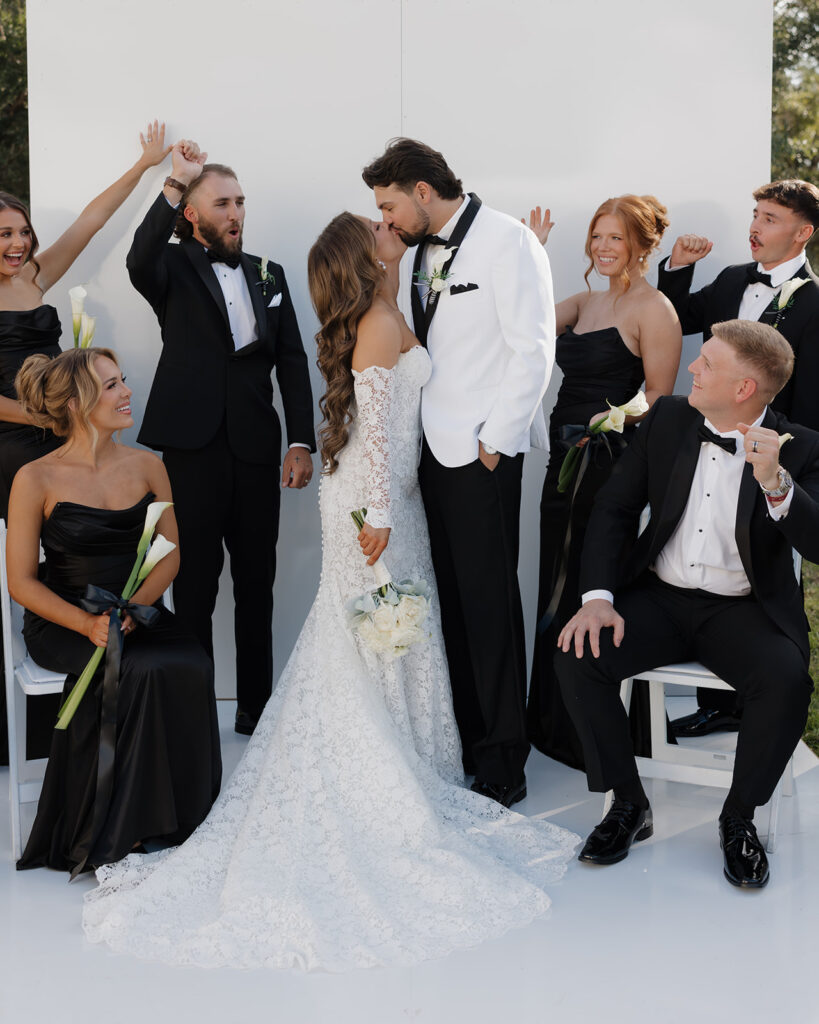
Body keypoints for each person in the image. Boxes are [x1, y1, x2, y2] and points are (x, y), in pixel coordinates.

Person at [80, 213, 578, 971]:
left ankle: (408, 749)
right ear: (363, 257)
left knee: (383, 627)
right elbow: (375, 430)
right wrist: (376, 518)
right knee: (373, 624)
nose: (390, 230)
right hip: (372, 504)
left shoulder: (391, 310)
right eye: (377, 229)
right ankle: (381, 762)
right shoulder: (379, 324)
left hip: (389, 498)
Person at [554, 319, 816, 889]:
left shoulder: (802, 446)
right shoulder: (669, 419)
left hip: (743, 610)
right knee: (579, 654)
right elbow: (616, 510)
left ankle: (738, 817)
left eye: (709, 363)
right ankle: (628, 803)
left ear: (744, 389)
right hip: (661, 597)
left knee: (787, 679)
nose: (692, 367)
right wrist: (597, 599)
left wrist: (775, 483)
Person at [362, 138, 555, 807]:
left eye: (388, 204)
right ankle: (470, 740)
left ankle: (504, 756)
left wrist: (495, 444)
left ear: (421, 190)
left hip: (480, 454)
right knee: (453, 603)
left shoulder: (508, 242)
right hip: (428, 455)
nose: (385, 219)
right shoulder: (415, 253)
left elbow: (533, 350)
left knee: (489, 605)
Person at [127, 140, 316, 736]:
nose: (235, 213)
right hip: (191, 449)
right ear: (194, 213)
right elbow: (137, 260)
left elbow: (291, 362)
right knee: (196, 584)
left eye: (240, 202)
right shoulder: (172, 266)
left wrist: (300, 441)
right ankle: (195, 709)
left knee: (257, 583)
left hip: (257, 450)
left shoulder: (269, 273)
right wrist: (175, 182)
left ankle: (256, 709)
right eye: (222, 203)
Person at [9, 347, 220, 877]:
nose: (127, 392)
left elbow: (170, 555)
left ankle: (179, 818)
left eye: (122, 381)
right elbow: (20, 583)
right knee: (132, 669)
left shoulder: (149, 464)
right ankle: (112, 827)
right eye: (111, 386)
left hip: (134, 608)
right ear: (80, 403)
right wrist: (86, 623)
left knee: (189, 661)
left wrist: (132, 610)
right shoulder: (34, 478)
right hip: (63, 619)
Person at [0, 122, 172, 763]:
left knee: (81, 564)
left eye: (23, 232)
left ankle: (98, 654)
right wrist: (43, 415)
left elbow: (91, 223)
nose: (19, 244)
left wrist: (144, 166)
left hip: (61, 436)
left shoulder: (37, 279)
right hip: (15, 451)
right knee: (25, 571)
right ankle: (41, 728)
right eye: (6, 235)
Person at [657, 179, 819, 737]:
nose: (756, 226)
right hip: (709, 442)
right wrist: (677, 268)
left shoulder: (816, 302)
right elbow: (674, 318)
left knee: (765, 570)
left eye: (771, 218)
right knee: (708, 553)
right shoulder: (730, 280)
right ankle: (715, 701)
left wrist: (791, 461)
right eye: (756, 214)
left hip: (775, 454)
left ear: (803, 233)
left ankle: (763, 691)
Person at [525, 196, 681, 770]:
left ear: (641, 244)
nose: (603, 248)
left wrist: (615, 418)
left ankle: (594, 730)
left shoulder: (655, 308)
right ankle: (551, 720)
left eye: (615, 238)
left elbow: (661, 400)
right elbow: (531, 318)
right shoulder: (585, 301)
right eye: (597, 237)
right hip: (563, 462)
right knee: (555, 580)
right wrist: (532, 255)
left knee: (594, 580)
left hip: (612, 465)